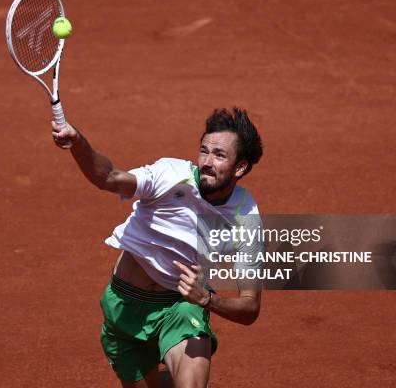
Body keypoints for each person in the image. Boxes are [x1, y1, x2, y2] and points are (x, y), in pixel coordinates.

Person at [51, 107, 264, 388]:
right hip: (125, 307)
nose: (207, 162)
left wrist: (207, 300)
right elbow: (108, 177)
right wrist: (78, 142)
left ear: (240, 167)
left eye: (219, 155)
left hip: (180, 307)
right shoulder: (170, 175)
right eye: (204, 151)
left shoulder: (246, 218)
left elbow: (250, 308)